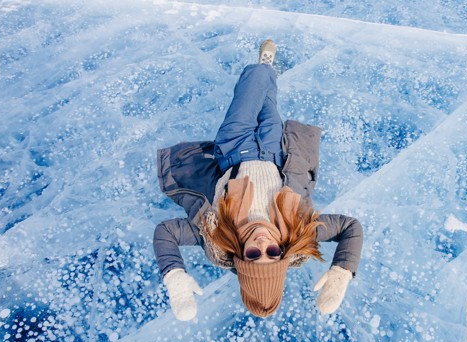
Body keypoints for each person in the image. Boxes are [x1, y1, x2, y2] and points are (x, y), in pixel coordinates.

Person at [154, 39, 363, 321]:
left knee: (252, 84)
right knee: (268, 102)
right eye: (273, 252)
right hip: (275, 149)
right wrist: (341, 273)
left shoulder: (216, 237)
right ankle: (267, 71)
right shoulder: (297, 232)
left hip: (234, 147)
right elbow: (350, 227)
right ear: (283, 254)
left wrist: (175, 277)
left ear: (241, 255)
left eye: (254, 254)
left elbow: (166, 233)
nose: (263, 242)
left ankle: (264, 66)